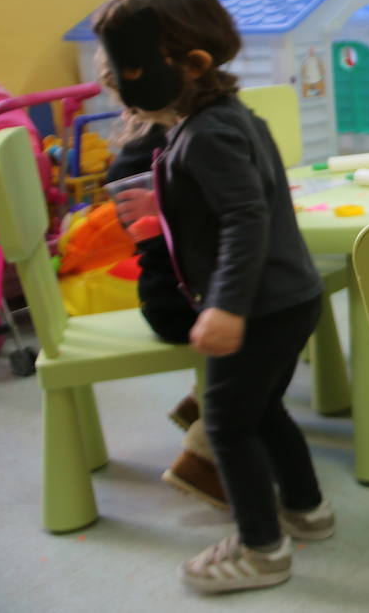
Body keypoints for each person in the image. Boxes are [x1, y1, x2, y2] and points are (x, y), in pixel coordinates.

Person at [93, 0, 332, 594]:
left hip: (258, 306)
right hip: (286, 297)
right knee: (263, 408)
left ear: (192, 64)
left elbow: (244, 217)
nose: (117, 83)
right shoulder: (216, 122)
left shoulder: (209, 134)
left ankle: (262, 551)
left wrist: (225, 306)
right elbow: (230, 203)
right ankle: (307, 510)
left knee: (226, 424)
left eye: (130, 70)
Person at [102, 109, 227, 510]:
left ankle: (202, 399)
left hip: (163, 297)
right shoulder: (173, 150)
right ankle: (204, 452)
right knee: (273, 320)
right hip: (180, 304)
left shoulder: (136, 153)